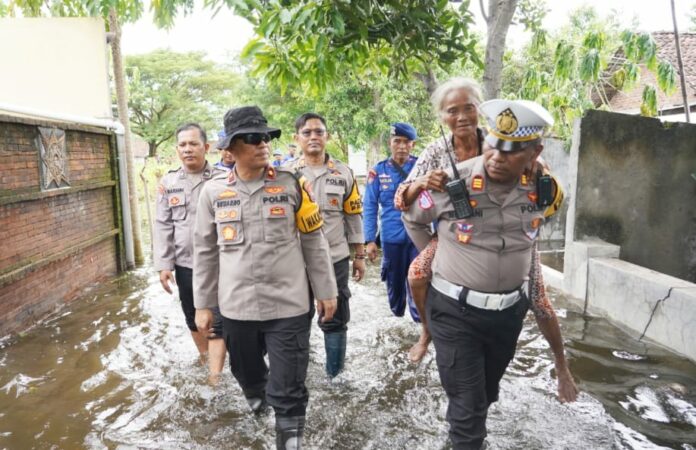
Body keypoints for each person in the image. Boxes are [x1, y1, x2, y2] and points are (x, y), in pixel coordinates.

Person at [402, 99, 578, 450]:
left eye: (512, 151)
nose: (497, 157)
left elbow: (537, 231)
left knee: (484, 397)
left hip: (508, 316)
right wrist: (440, 253)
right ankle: (428, 337)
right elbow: (410, 214)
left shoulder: (547, 190)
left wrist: (562, 366)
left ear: (534, 152)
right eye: (494, 146)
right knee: (468, 418)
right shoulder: (452, 182)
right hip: (454, 313)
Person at [193, 106, 338, 450]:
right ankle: (257, 414)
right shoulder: (213, 194)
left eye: (265, 137)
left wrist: (326, 291)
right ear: (230, 150)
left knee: (288, 390)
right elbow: (205, 252)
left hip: (289, 305)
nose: (262, 144)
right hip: (237, 309)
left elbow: (313, 240)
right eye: (252, 139)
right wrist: (203, 305)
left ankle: (288, 441)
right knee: (249, 378)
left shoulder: (291, 184)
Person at [394, 77, 486, 363]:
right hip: (452, 233)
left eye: (468, 108)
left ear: (480, 109)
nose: (461, 117)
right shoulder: (436, 151)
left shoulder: (498, 144)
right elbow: (401, 199)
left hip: (496, 230)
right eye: (452, 110)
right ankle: (426, 332)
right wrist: (421, 181)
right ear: (443, 116)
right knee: (417, 274)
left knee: (535, 291)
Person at [286, 112, 365, 378]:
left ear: (327, 136)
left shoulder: (343, 173)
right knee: (296, 317)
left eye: (319, 132)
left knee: (336, 316)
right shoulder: (285, 175)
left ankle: (335, 377)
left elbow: (353, 214)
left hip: (335, 257)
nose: (313, 137)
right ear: (296, 138)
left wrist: (360, 255)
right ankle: (299, 375)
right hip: (295, 261)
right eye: (306, 133)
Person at [153, 122, 227, 383]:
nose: (188, 149)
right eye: (183, 145)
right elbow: (163, 225)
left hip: (220, 263)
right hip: (186, 264)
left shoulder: (222, 179)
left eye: (193, 144)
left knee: (217, 317)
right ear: (177, 150)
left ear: (206, 147)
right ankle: (206, 356)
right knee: (192, 316)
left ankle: (215, 376)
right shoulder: (169, 183)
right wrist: (164, 265)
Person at [363, 122, 420, 320]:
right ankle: (397, 319)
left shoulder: (421, 166)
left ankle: (419, 323)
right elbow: (369, 206)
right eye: (397, 141)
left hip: (419, 237)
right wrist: (369, 240)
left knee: (419, 280)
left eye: (406, 142)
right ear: (390, 143)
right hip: (391, 238)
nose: (402, 146)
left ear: (412, 144)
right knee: (394, 286)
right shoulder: (378, 171)